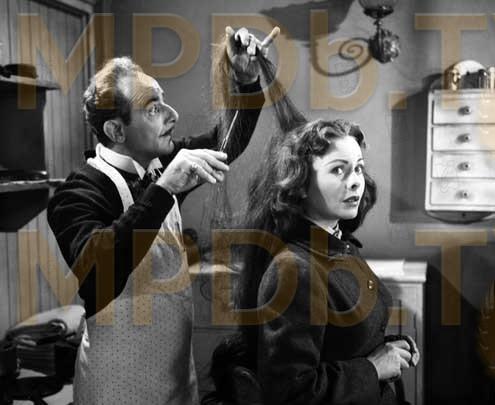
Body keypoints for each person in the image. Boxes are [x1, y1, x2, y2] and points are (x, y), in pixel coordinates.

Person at [47, 26, 277, 404]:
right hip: (115, 386)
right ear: (116, 129)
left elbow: (224, 144)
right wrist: (163, 190)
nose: (173, 114)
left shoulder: (160, 166)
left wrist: (248, 83)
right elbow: (98, 269)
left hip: (175, 376)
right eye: (154, 108)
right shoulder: (78, 192)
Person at [207, 119, 420, 405]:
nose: (356, 181)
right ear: (302, 184)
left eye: (358, 168)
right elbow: (292, 394)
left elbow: (337, 343)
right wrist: (373, 368)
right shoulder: (294, 270)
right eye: (338, 170)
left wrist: (387, 350)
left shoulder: (338, 244)